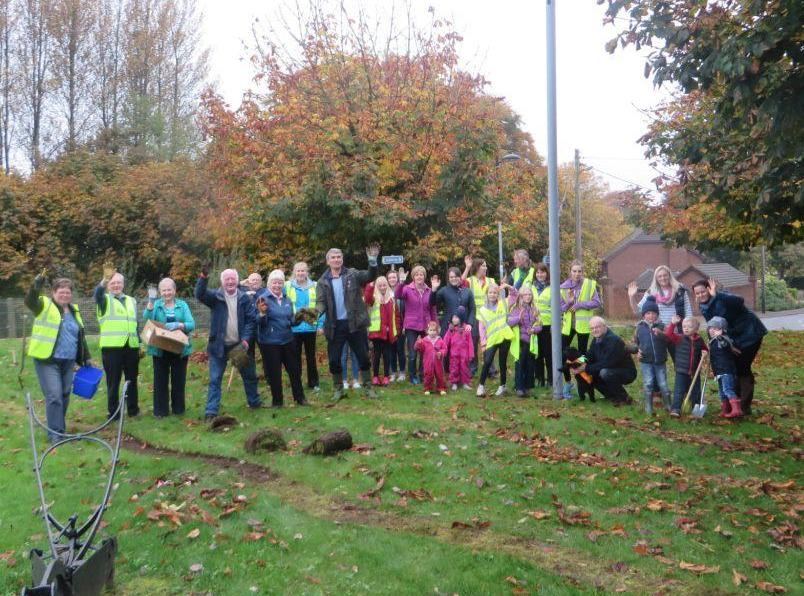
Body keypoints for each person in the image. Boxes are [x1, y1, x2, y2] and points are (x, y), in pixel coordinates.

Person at [26, 274, 91, 442]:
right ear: (53, 293)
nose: (65, 295)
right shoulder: (44, 306)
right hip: (47, 360)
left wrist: (86, 358)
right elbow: (30, 302)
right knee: (54, 395)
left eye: (68, 292)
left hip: (68, 361)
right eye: (61, 292)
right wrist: (35, 286)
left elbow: (80, 336)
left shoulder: (74, 310)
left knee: (64, 394)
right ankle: (55, 434)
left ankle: (59, 430)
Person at [693, 278, 767, 415]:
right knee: (732, 368)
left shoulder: (723, 297)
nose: (700, 295)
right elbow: (713, 326)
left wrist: (717, 294)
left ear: (710, 289)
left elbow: (740, 300)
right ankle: (735, 404)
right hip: (732, 339)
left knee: (742, 368)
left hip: (750, 333)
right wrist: (713, 347)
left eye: (703, 291)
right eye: (697, 293)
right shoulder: (704, 307)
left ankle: (744, 406)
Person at [195, 266, 261, 419]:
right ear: (222, 282)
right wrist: (203, 277)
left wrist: (245, 340)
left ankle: (255, 403)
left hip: (238, 345)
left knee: (249, 376)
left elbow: (251, 321)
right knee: (215, 379)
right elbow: (199, 294)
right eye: (227, 279)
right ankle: (211, 412)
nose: (230, 281)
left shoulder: (245, 298)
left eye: (233, 279)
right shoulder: (215, 297)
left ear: (237, 281)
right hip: (219, 346)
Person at [316, 245, 380, 402]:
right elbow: (321, 302)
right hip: (334, 326)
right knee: (334, 359)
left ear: (342, 259)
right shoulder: (322, 281)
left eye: (339, 257)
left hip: (355, 324)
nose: (336, 259)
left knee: (363, 357)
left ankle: (367, 387)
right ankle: (338, 389)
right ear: (328, 261)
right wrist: (316, 312)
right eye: (333, 257)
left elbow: (370, 276)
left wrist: (372, 262)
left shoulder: (352, 274)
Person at [143, 278, 195, 418]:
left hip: (179, 348)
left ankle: (178, 410)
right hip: (160, 349)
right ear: (160, 292)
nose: (167, 293)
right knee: (160, 381)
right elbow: (146, 318)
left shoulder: (182, 305)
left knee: (179, 380)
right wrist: (151, 302)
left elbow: (191, 324)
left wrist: (179, 325)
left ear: (174, 290)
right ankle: (161, 411)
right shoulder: (156, 305)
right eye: (164, 290)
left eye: (169, 290)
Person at [256, 270, 307, 408]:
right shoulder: (262, 299)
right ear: (269, 284)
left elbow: (290, 321)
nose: (277, 285)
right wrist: (261, 314)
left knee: (294, 371)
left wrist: (299, 318)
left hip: (288, 340)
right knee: (274, 374)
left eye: (280, 282)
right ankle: (277, 402)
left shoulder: (286, 300)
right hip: (270, 343)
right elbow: (259, 323)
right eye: (274, 282)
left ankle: (300, 398)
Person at [95, 266, 140, 418]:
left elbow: (134, 324)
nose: (116, 285)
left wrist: (139, 344)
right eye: (112, 283)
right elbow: (97, 294)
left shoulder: (131, 301)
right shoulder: (104, 300)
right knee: (113, 382)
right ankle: (114, 413)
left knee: (132, 380)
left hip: (131, 346)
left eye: (118, 283)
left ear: (123, 284)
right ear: (108, 285)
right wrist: (104, 281)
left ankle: (133, 410)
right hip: (112, 348)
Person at [573, 316, 636, 406]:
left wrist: (585, 368)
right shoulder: (596, 339)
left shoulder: (614, 341)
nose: (594, 330)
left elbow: (607, 363)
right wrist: (576, 362)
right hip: (610, 369)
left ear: (605, 326)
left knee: (603, 372)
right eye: (592, 328)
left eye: (597, 327)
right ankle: (611, 396)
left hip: (626, 372)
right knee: (592, 373)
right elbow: (589, 355)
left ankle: (624, 398)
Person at [395, 265, 437, 385]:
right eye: (417, 274)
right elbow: (397, 295)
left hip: (427, 325)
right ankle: (412, 376)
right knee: (412, 353)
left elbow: (433, 309)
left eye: (421, 274)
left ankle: (423, 374)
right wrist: (401, 282)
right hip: (411, 325)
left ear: (424, 276)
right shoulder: (407, 288)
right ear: (413, 277)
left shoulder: (430, 290)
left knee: (425, 352)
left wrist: (435, 324)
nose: (419, 276)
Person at [285, 262, 322, 392]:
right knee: (295, 356)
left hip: (310, 327)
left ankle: (313, 382)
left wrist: (321, 324)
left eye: (303, 271)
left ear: (307, 272)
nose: (301, 273)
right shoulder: (287, 285)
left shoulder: (315, 286)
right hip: (294, 328)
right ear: (294, 272)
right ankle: (297, 382)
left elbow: (320, 306)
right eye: (298, 271)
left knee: (311, 356)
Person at [631, 296, 670, 415]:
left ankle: (668, 405)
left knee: (663, 384)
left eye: (653, 313)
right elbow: (634, 343)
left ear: (657, 314)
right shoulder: (639, 328)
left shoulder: (662, 326)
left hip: (660, 361)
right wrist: (637, 350)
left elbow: (669, 339)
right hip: (645, 362)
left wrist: (661, 334)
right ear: (643, 315)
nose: (651, 316)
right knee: (648, 383)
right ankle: (649, 407)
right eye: (648, 313)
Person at [475, 283, 514, 397]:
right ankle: (481, 386)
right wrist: (483, 342)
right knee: (487, 362)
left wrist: (508, 286)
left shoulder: (503, 304)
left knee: (502, 362)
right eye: (490, 292)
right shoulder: (482, 310)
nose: (492, 295)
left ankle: (502, 386)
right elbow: (481, 328)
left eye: (495, 293)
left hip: (504, 337)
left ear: (498, 294)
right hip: (491, 339)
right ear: (487, 294)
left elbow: (514, 295)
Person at [666, 315, 708, 417]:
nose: (686, 328)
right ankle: (676, 409)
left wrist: (705, 352)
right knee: (679, 390)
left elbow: (705, 349)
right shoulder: (679, 338)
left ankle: (696, 408)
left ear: (696, 329)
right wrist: (673, 324)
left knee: (696, 390)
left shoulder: (699, 340)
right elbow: (668, 334)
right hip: (681, 370)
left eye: (689, 326)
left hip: (695, 371)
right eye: (684, 326)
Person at [462, 255, 496, 375]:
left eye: (486, 266)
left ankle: (491, 370)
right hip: (474, 317)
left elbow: (497, 297)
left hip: (488, 318)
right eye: (483, 266)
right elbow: (460, 283)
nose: (485, 268)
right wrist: (467, 267)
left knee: (489, 343)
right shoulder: (470, 281)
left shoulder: (491, 281)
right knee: (473, 343)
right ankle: (472, 369)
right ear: (477, 267)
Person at [507, 284, 542, 398]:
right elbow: (509, 322)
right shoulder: (516, 308)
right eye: (525, 294)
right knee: (520, 364)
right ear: (521, 296)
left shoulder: (534, 308)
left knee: (530, 364)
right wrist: (518, 318)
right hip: (520, 341)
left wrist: (534, 330)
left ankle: (528, 387)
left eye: (529, 294)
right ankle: (519, 387)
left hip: (531, 341)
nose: (528, 296)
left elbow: (539, 324)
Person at [559, 260, 601, 354]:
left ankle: (581, 369)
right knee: (562, 351)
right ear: (570, 271)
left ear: (582, 272)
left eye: (579, 271)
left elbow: (596, 302)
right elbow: (561, 308)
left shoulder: (589, 285)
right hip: (568, 326)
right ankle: (566, 368)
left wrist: (579, 305)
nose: (577, 274)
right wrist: (569, 302)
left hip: (583, 325)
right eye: (574, 271)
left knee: (582, 353)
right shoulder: (563, 288)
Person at [364, 276, 399, 386]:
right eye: (380, 286)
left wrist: (396, 330)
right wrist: (370, 286)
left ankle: (386, 377)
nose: (383, 287)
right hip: (377, 332)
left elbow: (397, 316)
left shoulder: (392, 299)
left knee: (386, 355)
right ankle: (375, 376)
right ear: (377, 287)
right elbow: (367, 298)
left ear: (387, 286)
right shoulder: (374, 299)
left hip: (389, 333)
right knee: (376, 355)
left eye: (384, 285)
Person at [706, 316, 743, 418]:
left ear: (722, 330)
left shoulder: (723, 339)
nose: (712, 330)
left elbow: (725, 345)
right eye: (710, 328)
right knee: (722, 392)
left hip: (726, 370)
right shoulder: (712, 341)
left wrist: (720, 337)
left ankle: (736, 409)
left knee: (728, 389)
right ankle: (725, 410)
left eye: (716, 328)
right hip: (719, 371)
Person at [430, 266, 475, 339]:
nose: (453, 279)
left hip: (463, 328)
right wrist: (433, 290)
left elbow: (472, 309)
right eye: (451, 277)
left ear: (460, 277)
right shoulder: (444, 290)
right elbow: (432, 303)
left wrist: (470, 324)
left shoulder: (468, 291)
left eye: (456, 276)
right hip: (447, 329)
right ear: (448, 278)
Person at [532, 263, 554, 387]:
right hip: (535, 326)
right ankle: (539, 379)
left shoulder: (552, 288)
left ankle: (551, 380)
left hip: (548, 326)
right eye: (538, 272)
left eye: (543, 272)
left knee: (548, 354)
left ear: (547, 273)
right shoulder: (531, 287)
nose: (540, 275)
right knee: (537, 354)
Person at [443, 306, 474, 390]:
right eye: (453, 317)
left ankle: (465, 383)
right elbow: (445, 341)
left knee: (465, 368)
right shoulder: (451, 329)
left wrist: (471, 354)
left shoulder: (466, 329)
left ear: (461, 318)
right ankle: (454, 383)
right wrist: (443, 350)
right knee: (454, 367)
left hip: (464, 354)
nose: (454, 319)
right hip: (454, 354)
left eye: (456, 317)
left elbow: (470, 343)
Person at [415, 321, 447, 395]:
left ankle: (441, 388)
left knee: (439, 375)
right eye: (431, 330)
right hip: (428, 362)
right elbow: (419, 349)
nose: (432, 332)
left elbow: (444, 349)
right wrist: (418, 343)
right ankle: (427, 388)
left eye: (434, 330)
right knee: (428, 374)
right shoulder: (424, 340)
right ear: (427, 331)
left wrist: (441, 353)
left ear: (437, 331)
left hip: (438, 362)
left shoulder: (440, 340)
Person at [386, 270, 406, 382]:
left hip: (401, 326)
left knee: (400, 349)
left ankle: (402, 372)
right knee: (391, 350)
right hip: (389, 327)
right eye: (390, 278)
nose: (392, 279)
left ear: (397, 278)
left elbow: (407, 310)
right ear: (387, 280)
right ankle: (393, 372)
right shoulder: (385, 292)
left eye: (394, 277)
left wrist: (405, 326)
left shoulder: (403, 291)